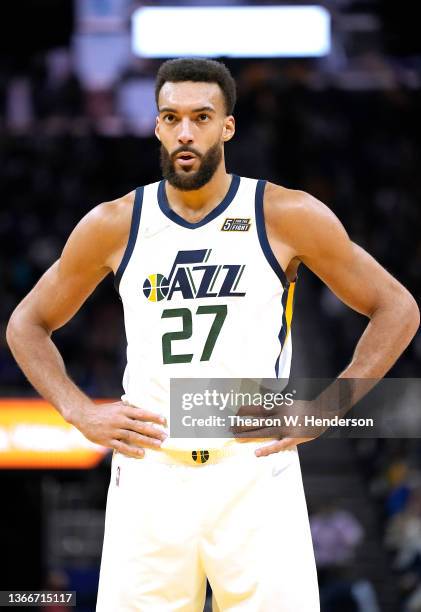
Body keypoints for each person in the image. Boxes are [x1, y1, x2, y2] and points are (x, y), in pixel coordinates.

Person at [6, 58, 419, 611]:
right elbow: (26, 325)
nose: (184, 132)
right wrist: (79, 411)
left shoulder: (285, 213)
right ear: (156, 125)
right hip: (151, 474)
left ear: (227, 126)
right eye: (171, 117)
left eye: (201, 117)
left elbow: (396, 308)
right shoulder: (114, 223)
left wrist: (327, 407)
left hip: (251, 471)